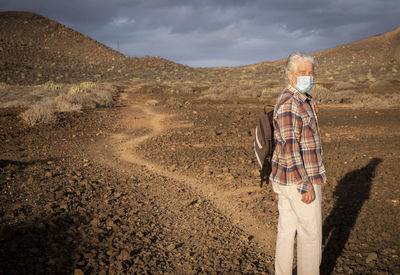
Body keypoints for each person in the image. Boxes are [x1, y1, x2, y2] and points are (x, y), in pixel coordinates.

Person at [269, 52, 327, 275]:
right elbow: (291, 148)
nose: (308, 76)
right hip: (299, 179)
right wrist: (305, 184)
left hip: (286, 177)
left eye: (310, 73)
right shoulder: (290, 104)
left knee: (286, 230)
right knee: (310, 235)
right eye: (302, 73)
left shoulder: (300, 100)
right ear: (290, 75)